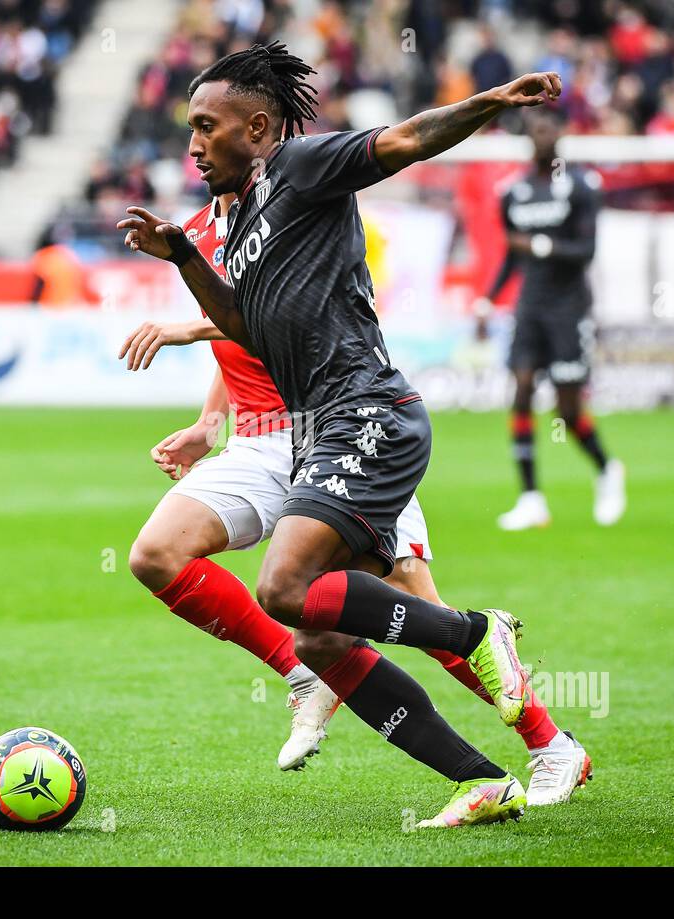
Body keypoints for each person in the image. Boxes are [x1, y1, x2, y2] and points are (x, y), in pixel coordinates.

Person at [118, 41, 570, 827]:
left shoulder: (301, 166)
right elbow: (242, 326)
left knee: (286, 590)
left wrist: (490, 102)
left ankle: (482, 639)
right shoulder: (245, 221)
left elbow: (403, 140)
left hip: (367, 413)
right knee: (321, 635)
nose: (191, 145)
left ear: (257, 128)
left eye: (205, 127)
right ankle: (480, 779)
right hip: (315, 430)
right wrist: (187, 254)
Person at [475, 110, 625, 530]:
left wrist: (539, 244)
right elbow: (512, 253)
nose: (541, 136)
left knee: (567, 408)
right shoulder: (515, 192)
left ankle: (606, 468)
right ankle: (530, 498)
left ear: (561, 133)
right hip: (530, 307)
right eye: (535, 130)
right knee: (521, 390)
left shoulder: (581, 186)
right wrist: (487, 301)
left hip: (569, 308)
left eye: (548, 129)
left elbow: (586, 251)